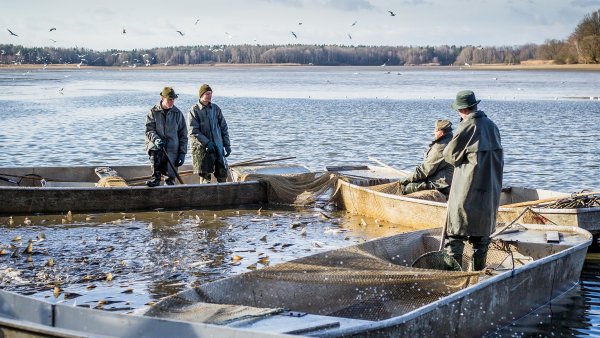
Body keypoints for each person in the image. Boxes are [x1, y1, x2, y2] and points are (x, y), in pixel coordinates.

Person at [442, 90, 503, 271]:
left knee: (455, 237)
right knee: (481, 239)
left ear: (462, 110)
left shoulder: (467, 126)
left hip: (466, 191)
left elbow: (449, 155)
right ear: (475, 105)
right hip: (490, 193)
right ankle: (477, 277)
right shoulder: (492, 126)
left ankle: (452, 280)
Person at [144, 87, 188, 187]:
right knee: (154, 151)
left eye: (173, 99)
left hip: (172, 149)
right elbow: (149, 130)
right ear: (162, 98)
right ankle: (156, 178)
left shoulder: (178, 114)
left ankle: (170, 189)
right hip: (157, 147)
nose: (172, 102)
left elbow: (183, 136)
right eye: (169, 99)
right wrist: (156, 139)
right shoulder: (153, 112)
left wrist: (182, 153)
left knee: (170, 177)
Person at [188, 84, 231, 183]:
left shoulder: (215, 109)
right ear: (201, 95)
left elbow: (224, 128)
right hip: (202, 149)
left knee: (222, 174)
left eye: (211, 93)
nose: (210, 96)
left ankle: (223, 195)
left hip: (218, 147)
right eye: (207, 94)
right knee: (205, 177)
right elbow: (193, 131)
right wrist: (207, 143)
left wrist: (227, 144)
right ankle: (205, 195)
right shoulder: (194, 110)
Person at [400, 119, 454, 196]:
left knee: (409, 187)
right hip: (447, 181)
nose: (433, 133)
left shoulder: (440, 148)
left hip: (442, 185)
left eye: (435, 131)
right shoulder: (452, 140)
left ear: (441, 133)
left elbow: (425, 170)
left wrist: (406, 179)